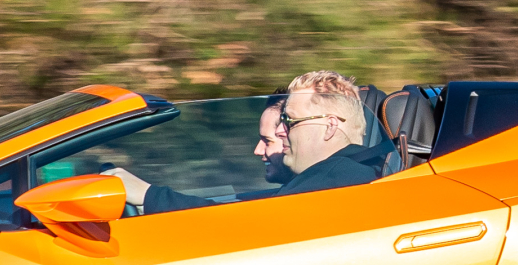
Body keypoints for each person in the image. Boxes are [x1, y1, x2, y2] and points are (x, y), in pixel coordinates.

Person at [112, 71, 381, 214]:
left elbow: (242, 226)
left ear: (330, 126)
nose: (282, 132)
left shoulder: (336, 179)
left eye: (290, 122)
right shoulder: (337, 173)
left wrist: (149, 195)